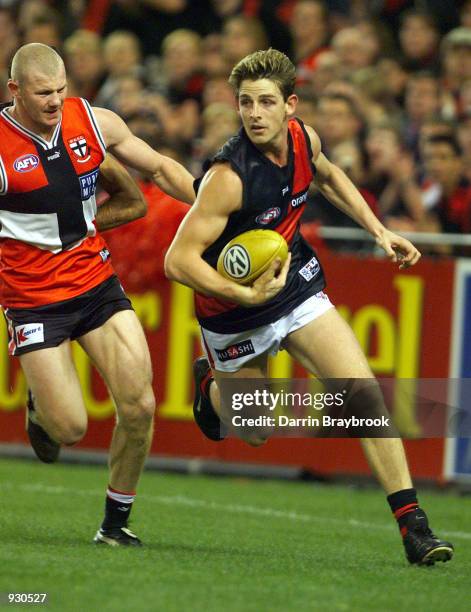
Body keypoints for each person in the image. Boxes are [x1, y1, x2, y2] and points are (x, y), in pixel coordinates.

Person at [165, 48, 454, 566]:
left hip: (294, 284)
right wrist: (245, 295)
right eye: (245, 103)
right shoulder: (228, 177)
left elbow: (331, 177)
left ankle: (415, 529)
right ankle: (210, 389)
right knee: (254, 431)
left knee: (364, 397)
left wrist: (380, 230)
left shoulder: (304, 140)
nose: (254, 113)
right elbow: (177, 259)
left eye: (265, 102)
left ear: (290, 106)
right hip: (233, 312)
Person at [0, 43, 195, 547]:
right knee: (69, 428)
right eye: (43, 93)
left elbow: (159, 168)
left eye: (61, 90)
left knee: (141, 406)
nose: (54, 101)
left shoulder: (93, 121)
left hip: (94, 283)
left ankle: (114, 524)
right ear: (15, 90)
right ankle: (42, 409)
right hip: (32, 299)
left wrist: (214, 209)